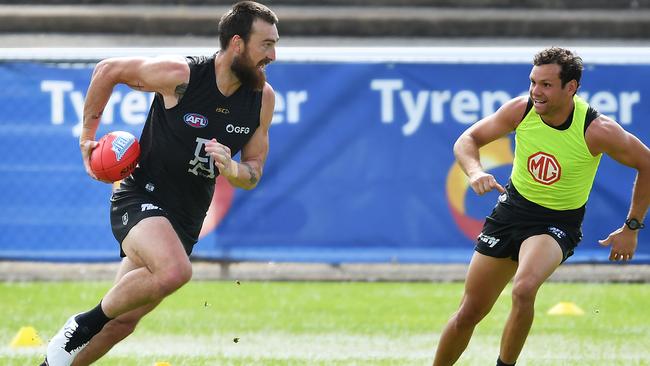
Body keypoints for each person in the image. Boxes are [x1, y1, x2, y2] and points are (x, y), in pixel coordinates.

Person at [41, 2, 279, 365]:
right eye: (266, 45)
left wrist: (232, 169)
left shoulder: (262, 99)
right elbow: (108, 70)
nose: (273, 55)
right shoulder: (182, 75)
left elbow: (255, 170)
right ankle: (82, 325)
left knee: (123, 321)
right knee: (175, 271)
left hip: (186, 218)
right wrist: (87, 138)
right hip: (139, 196)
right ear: (237, 43)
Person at [432, 47, 650, 366]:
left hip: (556, 222)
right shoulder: (521, 110)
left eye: (546, 84)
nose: (536, 91)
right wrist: (475, 172)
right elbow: (467, 140)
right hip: (511, 212)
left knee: (523, 289)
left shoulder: (597, 129)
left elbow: (647, 164)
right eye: (533, 82)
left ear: (571, 87)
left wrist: (632, 227)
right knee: (469, 312)